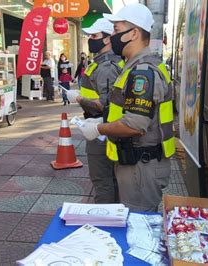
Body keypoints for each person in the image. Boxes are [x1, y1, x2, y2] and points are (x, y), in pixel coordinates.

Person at [77, 4, 176, 212]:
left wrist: (98, 129)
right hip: (137, 164)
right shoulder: (135, 66)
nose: (112, 36)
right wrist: (102, 121)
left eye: (116, 29)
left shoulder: (142, 72)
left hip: (141, 168)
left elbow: (135, 125)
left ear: (134, 33)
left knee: (137, 228)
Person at [67, 18, 125, 204]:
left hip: (101, 129)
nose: (90, 39)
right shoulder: (106, 62)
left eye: (95, 35)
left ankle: (104, 220)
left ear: (107, 39)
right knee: (112, 179)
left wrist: (79, 99)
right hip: (104, 126)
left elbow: (105, 104)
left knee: (103, 181)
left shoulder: (106, 66)